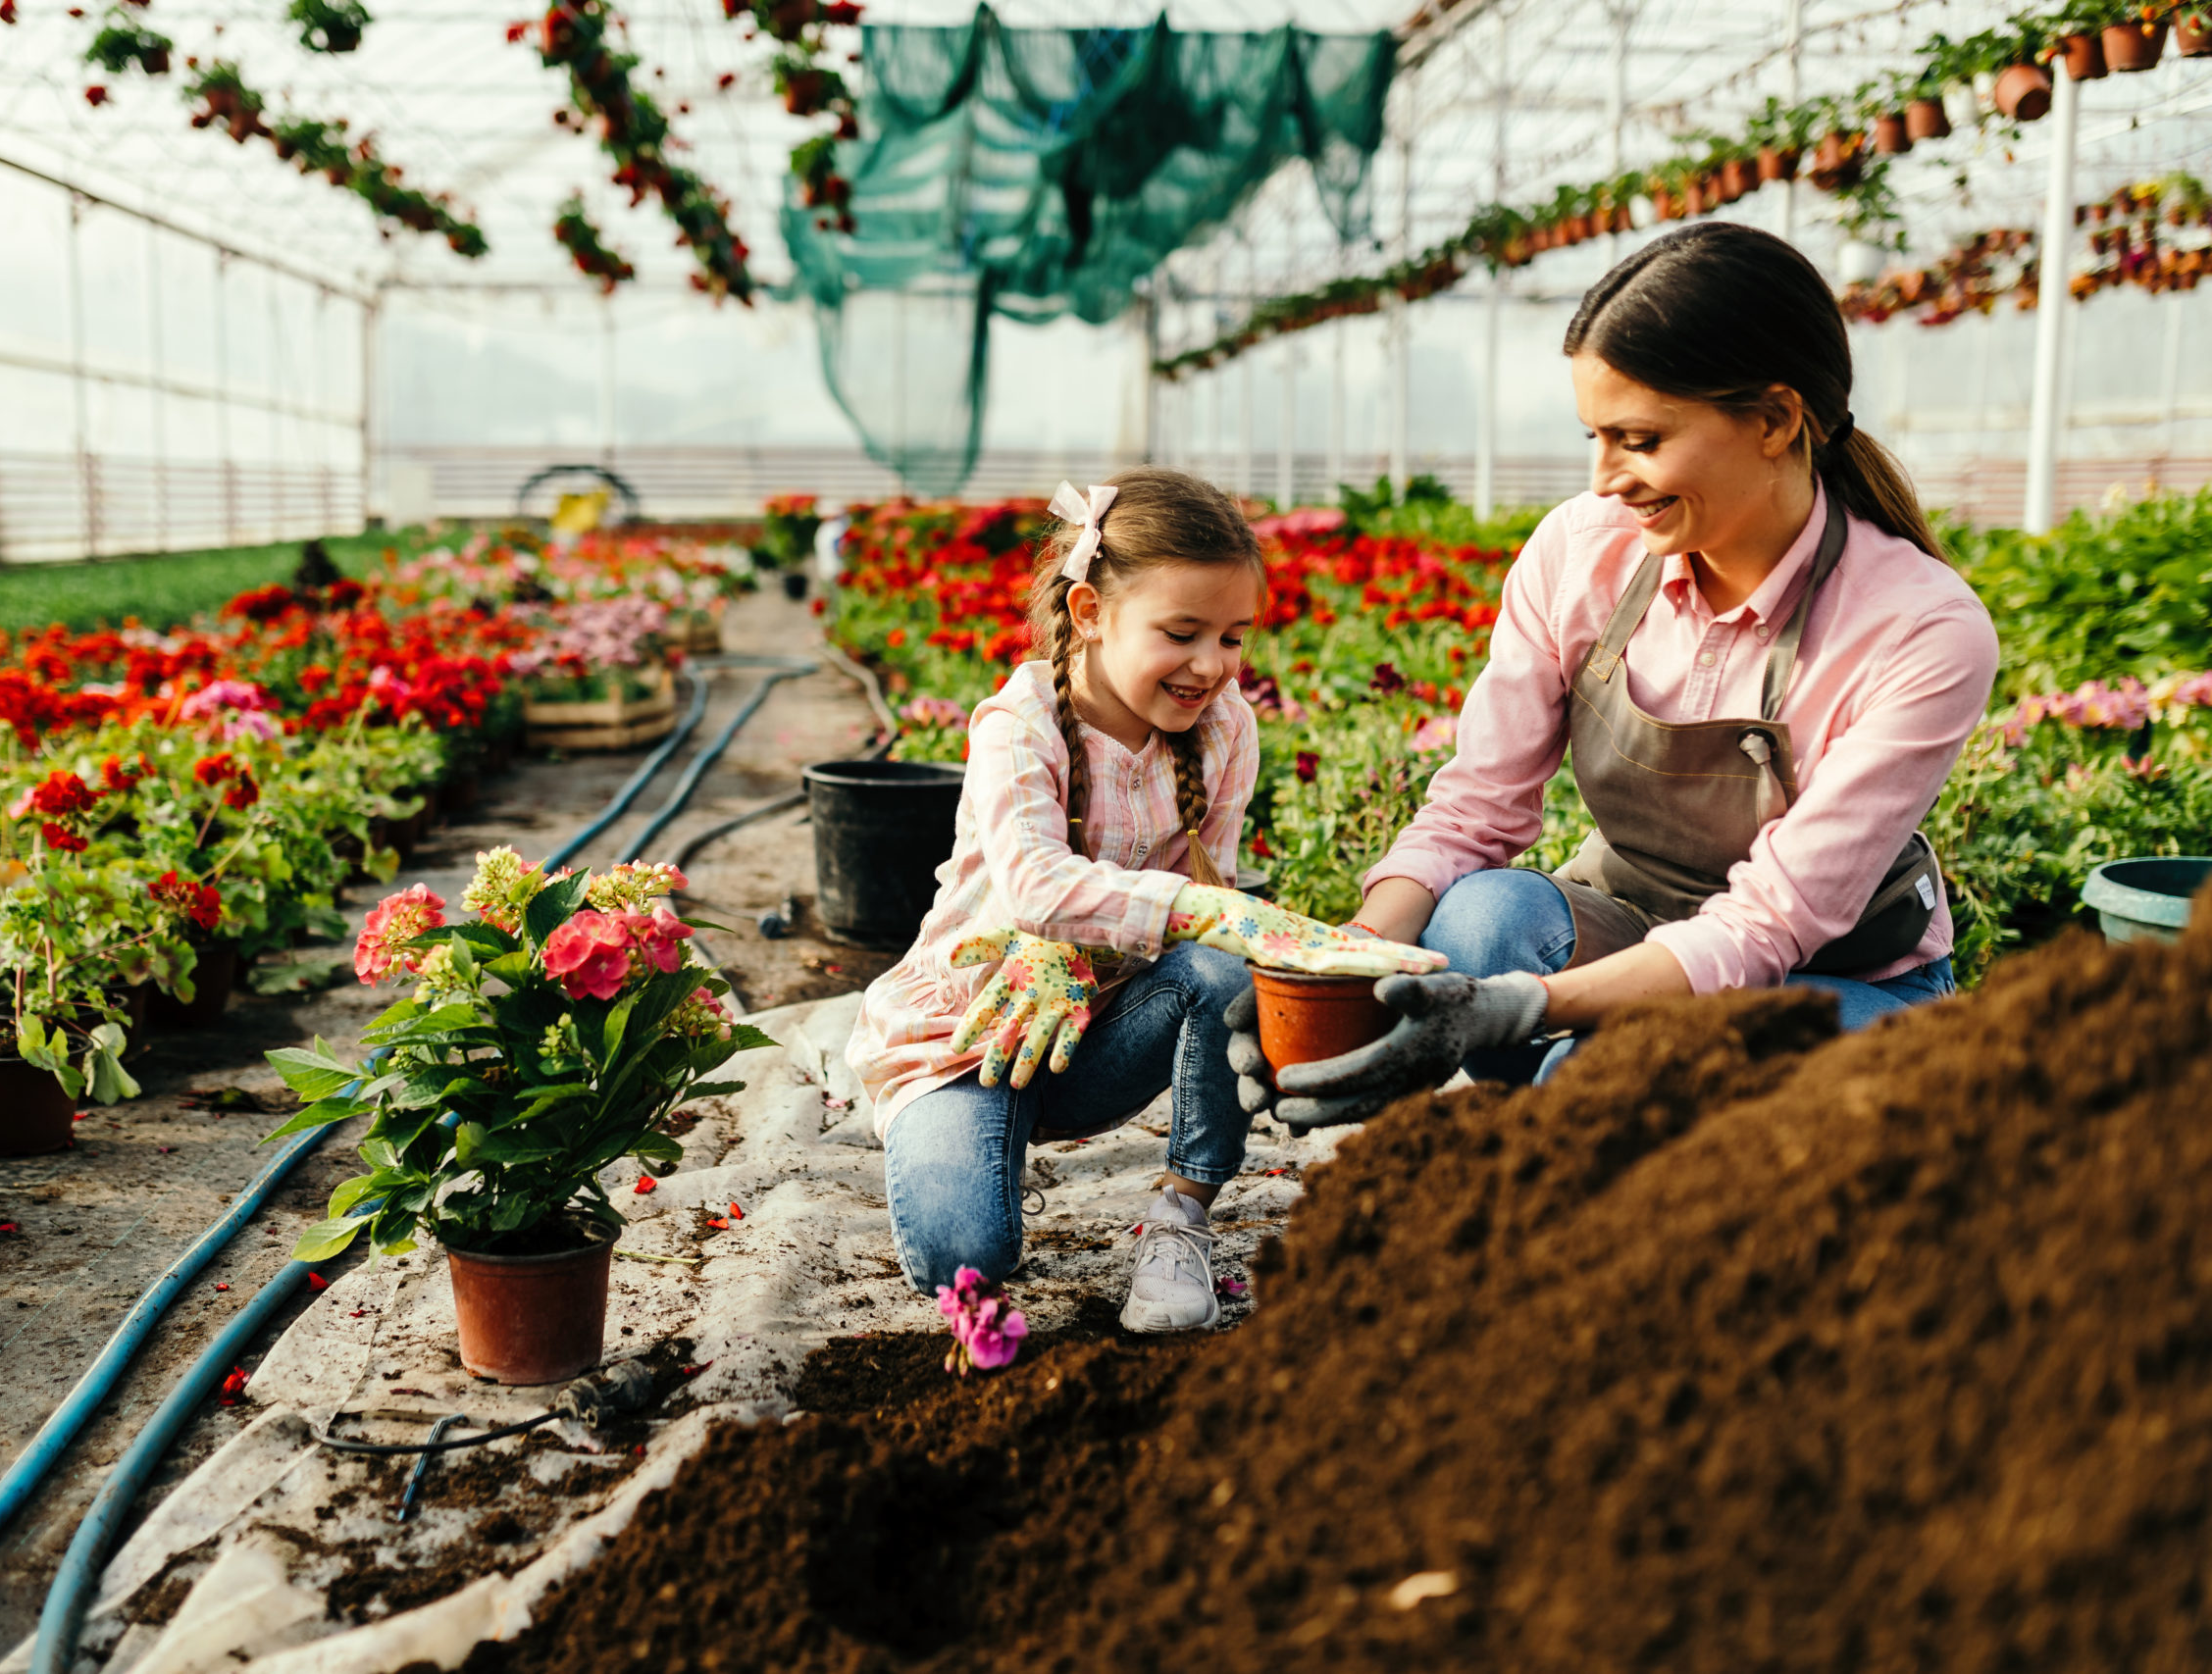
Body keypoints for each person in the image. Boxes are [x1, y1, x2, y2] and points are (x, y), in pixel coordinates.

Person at [1229, 223, 2001, 1130]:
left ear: (1774, 421)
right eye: (1595, 436)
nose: (1606, 479)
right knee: (1478, 925)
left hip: (1832, 980)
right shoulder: (1582, 550)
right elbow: (1476, 808)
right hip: (1631, 917)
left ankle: (1594, 1142)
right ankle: (1577, 1134)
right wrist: (1349, 964)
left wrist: (1524, 1009)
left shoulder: (1920, 626)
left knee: (1609, 1071)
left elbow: (1767, 924)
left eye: (1638, 440)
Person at [845, 467, 1437, 1331]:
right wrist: (1201, 913)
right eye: (1183, 632)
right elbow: (1037, 885)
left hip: (1101, 1035)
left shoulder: (1225, 726)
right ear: (1089, 612)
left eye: (1234, 637)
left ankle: (1181, 1216)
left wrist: (1244, 943)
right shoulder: (1022, 726)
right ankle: (951, 1134)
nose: (1212, 665)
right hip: (966, 1036)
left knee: (1223, 966)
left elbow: (1211, 912)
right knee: (964, 1256)